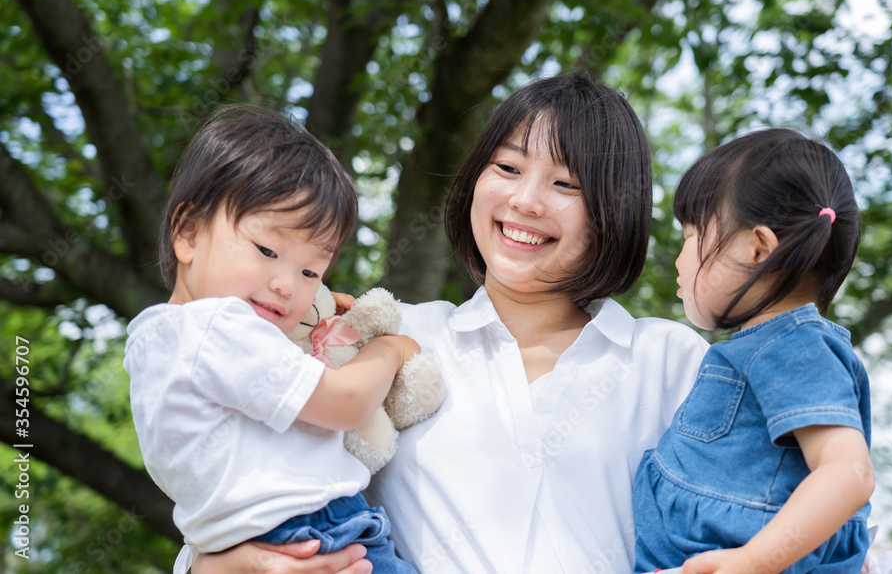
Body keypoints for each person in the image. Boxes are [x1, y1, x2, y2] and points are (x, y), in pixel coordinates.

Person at [185, 73, 710, 573]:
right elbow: (244, 476)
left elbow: (751, 528)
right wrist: (207, 565)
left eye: (566, 183)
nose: (524, 200)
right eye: (507, 168)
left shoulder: (672, 363)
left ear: (614, 208)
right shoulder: (389, 341)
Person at [124, 105, 420, 573]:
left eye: (310, 271)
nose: (287, 285)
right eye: (267, 250)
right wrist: (390, 349)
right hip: (318, 533)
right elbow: (345, 403)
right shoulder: (215, 327)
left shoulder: (158, 342)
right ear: (188, 233)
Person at [631, 129, 875, 574]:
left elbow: (849, 473)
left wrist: (754, 562)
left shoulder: (796, 344)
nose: (680, 260)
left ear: (757, 247)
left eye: (691, 235)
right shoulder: (763, 345)